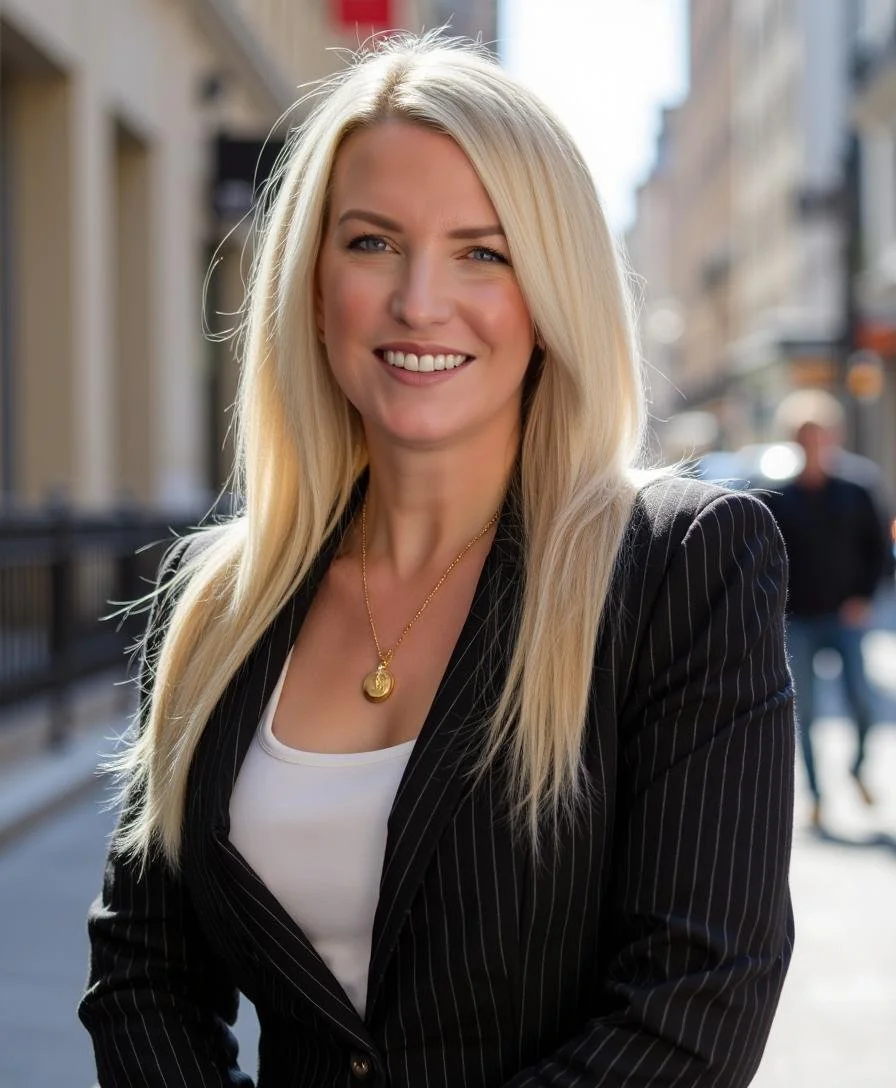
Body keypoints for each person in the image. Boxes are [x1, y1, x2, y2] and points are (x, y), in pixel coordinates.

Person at [79, 32, 795, 1088]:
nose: (420, 301)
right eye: (371, 243)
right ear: (312, 281)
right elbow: (143, 972)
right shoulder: (218, 599)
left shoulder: (680, 567)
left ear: (550, 295)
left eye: (482, 251)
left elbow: (692, 1001)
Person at [765, 389, 893, 830]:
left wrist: (864, 597)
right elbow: (768, 559)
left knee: (863, 701)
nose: (814, 443)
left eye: (820, 434)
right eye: (806, 435)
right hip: (799, 620)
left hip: (847, 617)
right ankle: (817, 794)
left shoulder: (857, 489)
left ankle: (857, 768)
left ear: (832, 438)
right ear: (795, 441)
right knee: (806, 712)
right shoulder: (778, 497)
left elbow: (879, 551)